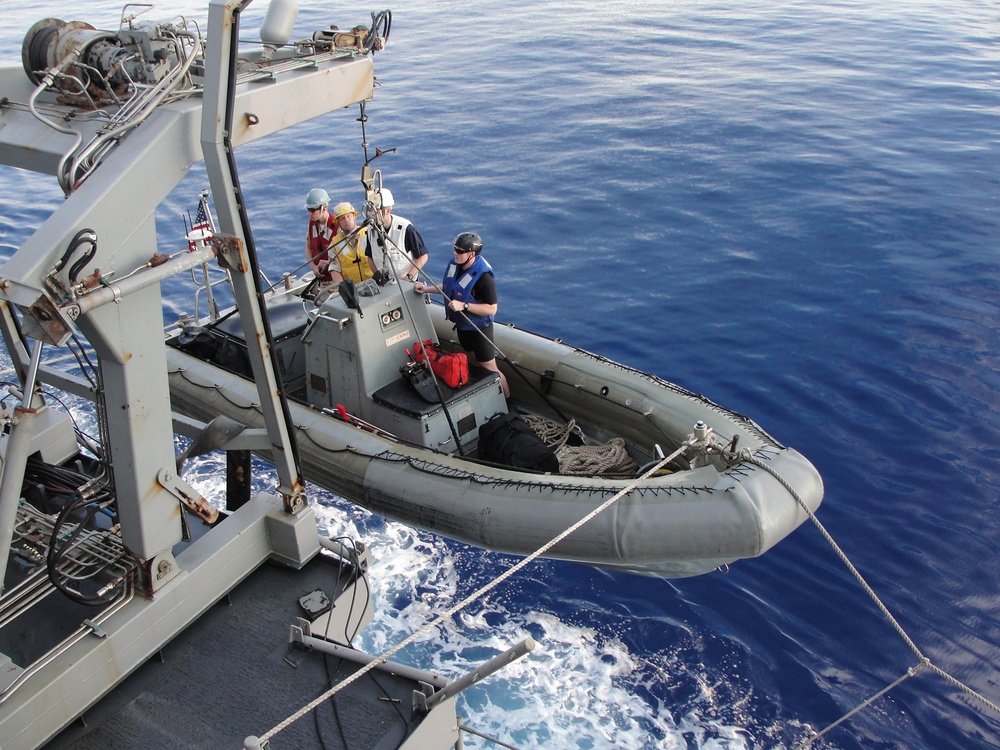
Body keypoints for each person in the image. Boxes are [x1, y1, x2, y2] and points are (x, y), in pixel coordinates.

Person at [413, 231, 510, 397]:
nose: (454, 253)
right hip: (462, 327)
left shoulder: (483, 278)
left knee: (491, 368)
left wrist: (464, 306)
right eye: (455, 249)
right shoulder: (456, 266)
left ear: (471, 254)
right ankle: (488, 394)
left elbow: (492, 309)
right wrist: (426, 289)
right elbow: (450, 287)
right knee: (474, 363)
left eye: (459, 251)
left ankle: (508, 400)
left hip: (479, 329)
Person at [365, 188, 428, 283]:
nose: (373, 213)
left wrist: (409, 277)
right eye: (372, 210)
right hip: (385, 285)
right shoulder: (370, 229)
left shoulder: (405, 228)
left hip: (407, 284)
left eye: (376, 210)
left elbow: (423, 256)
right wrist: (378, 276)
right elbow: (370, 257)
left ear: (388, 211)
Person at [328, 201, 373, 284]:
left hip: (374, 283)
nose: (346, 220)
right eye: (342, 218)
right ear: (338, 222)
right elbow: (334, 270)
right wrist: (344, 288)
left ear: (354, 217)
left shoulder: (369, 234)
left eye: (348, 216)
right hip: (353, 289)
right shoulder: (335, 244)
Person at [303, 188, 337, 284]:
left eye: (312, 210)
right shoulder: (312, 223)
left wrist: (328, 263)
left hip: (334, 279)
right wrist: (313, 266)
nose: (309, 213)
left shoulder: (336, 226)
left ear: (324, 208)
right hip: (321, 278)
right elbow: (308, 246)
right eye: (308, 210)